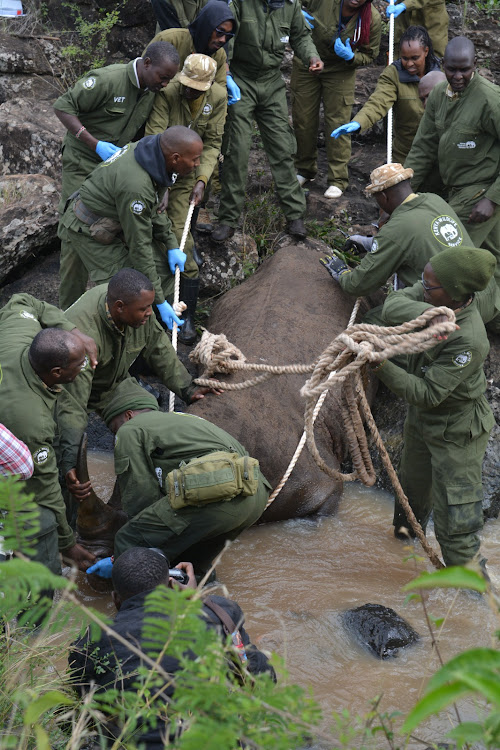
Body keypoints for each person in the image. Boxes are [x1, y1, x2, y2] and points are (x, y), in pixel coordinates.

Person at [70, 547, 275, 746]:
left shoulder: (91, 641)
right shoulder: (220, 613)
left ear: (115, 599)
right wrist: (196, 601)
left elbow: (84, 706)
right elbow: (264, 678)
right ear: (172, 585)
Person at [372, 246, 496, 566]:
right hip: (422, 420)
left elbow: (427, 393)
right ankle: (399, 560)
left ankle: (470, 598)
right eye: (423, 282)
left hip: (458, 428)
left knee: (456, 521)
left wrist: (380, 366)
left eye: (429, 286)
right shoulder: (434, 294)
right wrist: (428, 314)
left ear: (455, 293)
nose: (422, 288)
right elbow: (394, 305)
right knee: (409, 500)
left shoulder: (468, 339)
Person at [57, 269, 219, 510]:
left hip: (111, 382)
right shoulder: (86, 335)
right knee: (66, 458)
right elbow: (71, 406)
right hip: (66, 389)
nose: (148, 314)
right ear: (120, 307)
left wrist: (187, 389)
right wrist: (69, 459)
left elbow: (158, 347)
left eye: (150, 307)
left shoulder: (138, 309)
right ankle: (73, 523)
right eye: (143, 309)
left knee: (144, 427)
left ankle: (124, 507)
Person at [84, 379, 271, 573]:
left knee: (130, 537)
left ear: (129, 415)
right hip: (254, 496)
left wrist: (121, 558)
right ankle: (202, 594)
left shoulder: (131, 428)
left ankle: (133, 599)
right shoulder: (179, 420)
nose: (117, 434)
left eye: (115, 428)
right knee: (191, 563)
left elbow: (140, 493)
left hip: (218, 492)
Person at [53, 42, 181, 310]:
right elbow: (63, 107)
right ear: (146, 64)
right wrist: (94, 143)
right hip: (83, 160)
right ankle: (67, 312)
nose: (166, 84)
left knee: (119, 226)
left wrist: (161, 184)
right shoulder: (107, 80)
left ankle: (117, 298)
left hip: (116, 166)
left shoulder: (150, 90)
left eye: (169, 79)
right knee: (75, 227)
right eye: (163, 77)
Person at [57, 126, 203, 320]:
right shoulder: (136, 186)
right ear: (176, 158)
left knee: (163, 271)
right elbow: (139, 246)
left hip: (116, 217)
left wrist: (170, 244)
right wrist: (158, 301)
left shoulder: (153, 153)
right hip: (88, 226)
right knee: (124, 291)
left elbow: (154, 207)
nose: (197, 164)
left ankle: (154, 325)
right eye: (194, 159)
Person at [0, 294, 98, 575]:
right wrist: (68, 544)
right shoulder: (31, 421)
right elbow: (44, 487)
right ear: (56, 372)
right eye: (78, 365)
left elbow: (23, 300)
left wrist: (75, 332)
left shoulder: (19, 329)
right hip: (10, 430)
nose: (83, 368)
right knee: (39, 518)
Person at [210, 0, 323, 242]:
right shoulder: (241, 3)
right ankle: (228, 219)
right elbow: (225, 38)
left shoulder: (290, 6)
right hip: (241, 80)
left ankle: (294, 216)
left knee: (282, 147)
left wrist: (311, 56)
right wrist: (226, 72)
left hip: (271, 83)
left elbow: (301, 36)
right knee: (236, 150)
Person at [145, 54, 227, 343]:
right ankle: (153, 307)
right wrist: (162, 184)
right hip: (157, 172)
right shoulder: (168, 93)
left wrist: (202, 179)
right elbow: (155, 136)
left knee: (182, 241)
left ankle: (185, 314)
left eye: (198, 89)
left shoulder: (217, 96)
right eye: (188, 86)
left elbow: (213, 142)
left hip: (189, 175)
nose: (192, 92)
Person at [405, 37, 500, 279]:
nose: (458, 76)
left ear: (475, 65)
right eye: (452, 69)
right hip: (454, 188)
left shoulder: (490, 99)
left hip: (480, 189)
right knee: (490, 255)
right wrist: (402, 193)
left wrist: (492, 199)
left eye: (464, 69)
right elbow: (423, 148)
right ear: (442, 64)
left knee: (440, 249)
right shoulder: (438, 95)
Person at [319, 163, 473, 299]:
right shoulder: (434, 200)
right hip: (475, 290)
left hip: (449, 303)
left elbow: (359, 285)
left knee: (377, 317)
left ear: (384, 196)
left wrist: (343, 273)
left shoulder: (397, 228)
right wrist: (368, 243)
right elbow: (417, 240)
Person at [291, 0, 381, 199]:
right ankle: (304, 169)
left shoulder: (371, 18)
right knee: (303, 118)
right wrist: (295, 13)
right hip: (309, 61)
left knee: (338, 121)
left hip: (341, 70)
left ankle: (337, 179)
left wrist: (351, 57)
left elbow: (370, 53)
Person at [331, 26, 441, 164]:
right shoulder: (393, 74)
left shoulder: (443, 72)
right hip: (407, 153)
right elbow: (379, 101)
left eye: (415, 58)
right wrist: (359, 122)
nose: (409, 64)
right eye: (404, 58)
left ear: (426, 51)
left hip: (439, 151)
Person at [150, 1, 236, 94]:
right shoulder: (169, 39)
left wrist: (226, 75)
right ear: (208, 26)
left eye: (228, 36)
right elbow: (146, 76)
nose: (223, 40)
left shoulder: (219, 54)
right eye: (220, 32)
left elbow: (220, 96)